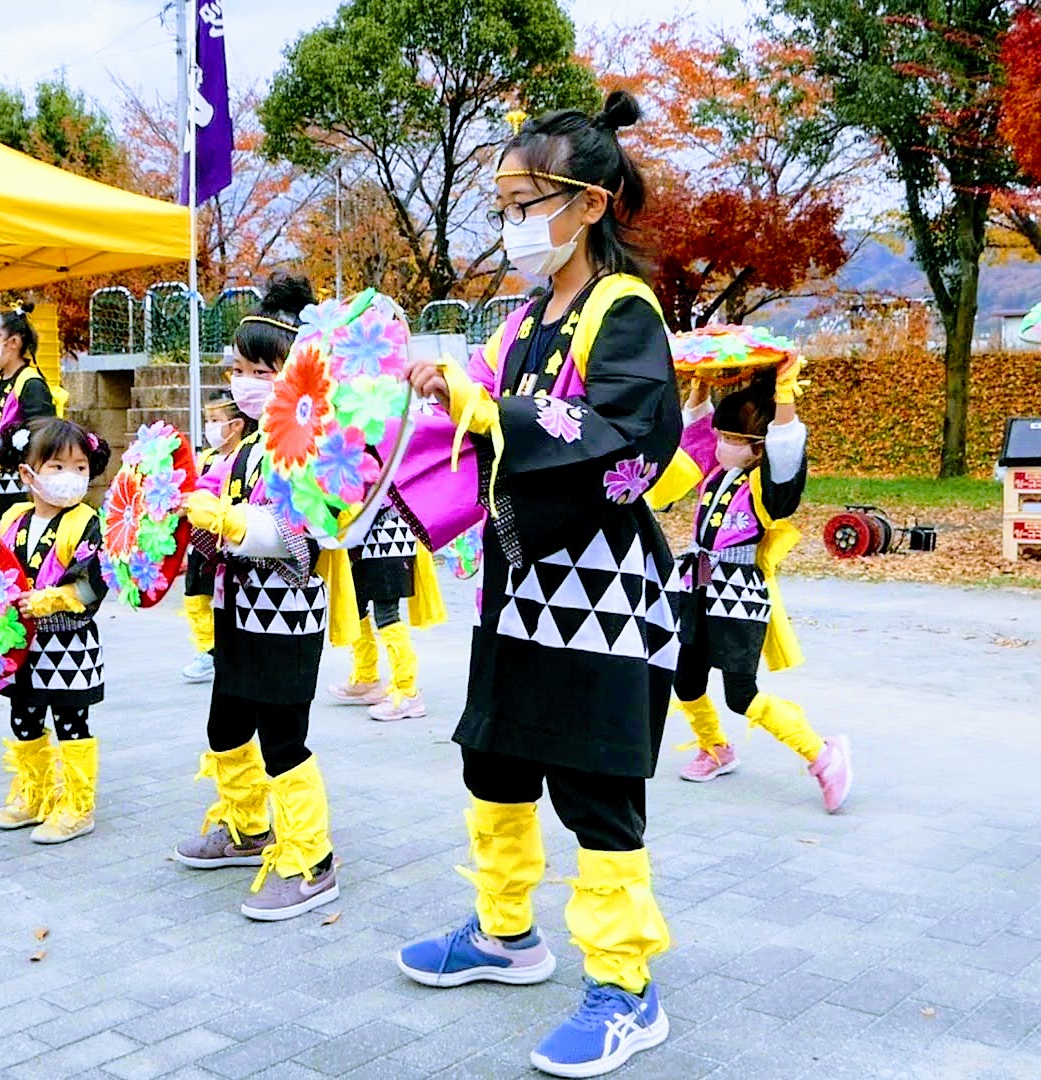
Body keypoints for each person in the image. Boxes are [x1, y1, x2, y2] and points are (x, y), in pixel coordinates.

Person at [396, 92, 680, 1078]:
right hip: (518, 582)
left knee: (597, 787)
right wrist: (443, 397)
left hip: (602, 589)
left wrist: (497, 415)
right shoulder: (520, 320)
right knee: (497, 761)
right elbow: (479, 411)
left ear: (590, 204)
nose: (512, 224)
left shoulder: (622, 309)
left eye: (527, 204)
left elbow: (633, 437)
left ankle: (625, 987)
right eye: (505, 206)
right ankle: (505, 932)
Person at [174, 274, 349, 922]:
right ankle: (247, 827)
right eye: (239, 370)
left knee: (283, 740)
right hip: (235, 610)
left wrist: (233, 523)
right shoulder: (244, 447)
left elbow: (308, 539)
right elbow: (219, 528)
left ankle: (311, 860)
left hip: (286, 615)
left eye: (259, 371)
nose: (244, 383)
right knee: (224, 726)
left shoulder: (310, 446)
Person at [666, 366, 851, 809]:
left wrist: (785, 395)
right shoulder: (715, 472)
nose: (721, 444)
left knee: (740, 694)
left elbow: (786, 453)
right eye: (722, 436)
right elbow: (693, 438)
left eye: (733, 439)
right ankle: (715, 748)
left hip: (737, 593)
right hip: (696, 584)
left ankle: (822, 754)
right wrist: (700, 386)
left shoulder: (764, 487)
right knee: (685, 679)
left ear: (758, 448)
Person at [0, 417, 110, 844]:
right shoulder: (13, 518)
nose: (70, 476)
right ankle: (34, 793)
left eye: (80, 467)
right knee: (23, 716)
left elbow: (94, 583)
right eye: (57, 467)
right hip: (20, 640)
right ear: (28, 473)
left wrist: (54, 598)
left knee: (70, 719)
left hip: (68, 639)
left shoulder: (86, 521)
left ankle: (77, 805)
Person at [326, 498, 444, 722]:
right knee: (356, 607)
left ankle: (407, 691)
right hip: (362, 537)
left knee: (386, 614)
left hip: (390, 535)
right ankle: (367, 678)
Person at [0, 302, 65, 525]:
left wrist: (0, 457)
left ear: (13, 342)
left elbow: (42, 435)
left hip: (24, 485)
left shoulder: (31, 384)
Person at [180, 395, 250, 683]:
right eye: (207, 420)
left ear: (236, 425)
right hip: (201, 539)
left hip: (227, 538)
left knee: (226, 600)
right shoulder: (207, 458)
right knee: (195, 596)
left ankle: (226, 652)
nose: (209, 427)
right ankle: (206, 650)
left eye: (215, 421)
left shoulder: (244, 456)